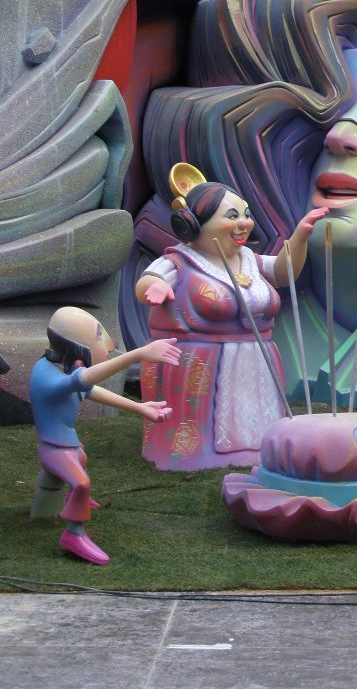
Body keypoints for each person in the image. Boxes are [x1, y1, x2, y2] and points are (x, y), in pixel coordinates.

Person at [135, 177, 327, 470]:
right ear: (193, 224)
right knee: (207, 421)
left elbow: (282, 272)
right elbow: (149, 280)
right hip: (200, 363)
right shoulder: (180, 261)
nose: (244, 223)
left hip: (256, 357)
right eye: (232, 216)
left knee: (255, 411)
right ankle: (202, 453)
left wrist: (300, 235)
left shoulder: (249, 259)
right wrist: (156, 286)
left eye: (246, 215)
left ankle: (258, 446)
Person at [29, 307, 180, 565]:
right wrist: (138, 354)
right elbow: (84, 380)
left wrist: (139, 408)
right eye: (98, 336)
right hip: (54, 448)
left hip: (67, 444)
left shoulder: (61, 368)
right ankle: (74, 534)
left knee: (80, 460)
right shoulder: (47, 375)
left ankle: (65, 503)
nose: (108, 345)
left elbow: (89, 389)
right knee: (81, 482)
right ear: (77, 346)